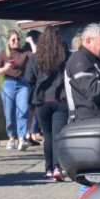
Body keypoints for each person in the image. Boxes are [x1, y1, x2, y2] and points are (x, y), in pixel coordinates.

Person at [24, 25, 70, 180]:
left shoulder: (35, 58)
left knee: (47, 135)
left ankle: (48, 168)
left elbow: (28, 79)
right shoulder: (65, 56)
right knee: (58, 135)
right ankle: (58, 167)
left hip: (41, 101)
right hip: (60, 100)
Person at [64, 23, 100, 120]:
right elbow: (94, 91)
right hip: (89, 125)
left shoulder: (94, 61)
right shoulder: (80, 60)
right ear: (88, 41)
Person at [0, 30, 32, 150]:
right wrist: (5, 68)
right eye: (13, 40)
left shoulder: (24, 53)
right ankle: (11, 138)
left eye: (18, 39)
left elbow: (36, 56)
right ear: (7, 41)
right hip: (8, 83)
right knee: (9, 114)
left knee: (22, 111)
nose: (16, 41)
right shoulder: (2, 54)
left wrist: (31, 42)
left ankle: (21, 139)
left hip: (22, 84)